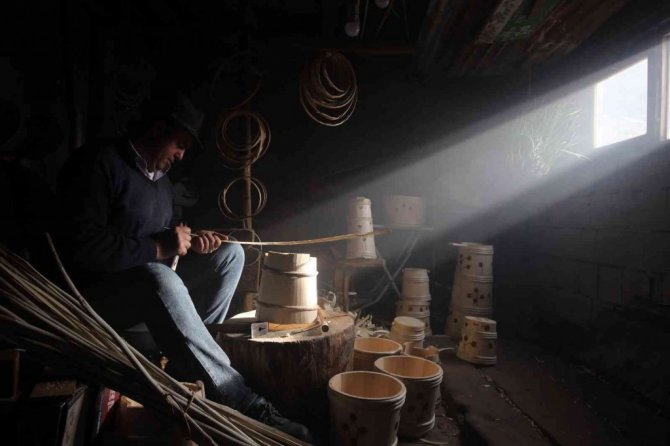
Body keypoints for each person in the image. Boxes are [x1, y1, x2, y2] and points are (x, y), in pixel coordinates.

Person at [55, 94, 313, 442]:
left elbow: (161, 240)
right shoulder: (98, 163)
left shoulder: (161, 184)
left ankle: (193, 365)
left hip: (151, 296)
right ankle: (239, 399)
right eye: (180, 144)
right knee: (158, 276)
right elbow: (81, 245)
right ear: (157, 129)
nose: (181, 155)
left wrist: (191, 244)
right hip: (99, 304)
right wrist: (159, 247)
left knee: (230, 254)